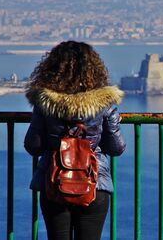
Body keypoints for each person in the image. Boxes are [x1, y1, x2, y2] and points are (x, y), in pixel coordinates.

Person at [24, 41, 126, 240]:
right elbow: (116, 148)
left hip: (54, 182)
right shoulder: (105, 104)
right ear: (94, 69)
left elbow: (33, 146)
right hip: (95, 184)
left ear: (52, 68)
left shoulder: (45, 103)